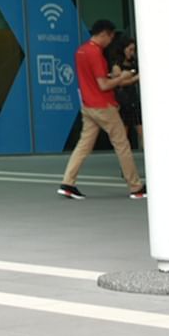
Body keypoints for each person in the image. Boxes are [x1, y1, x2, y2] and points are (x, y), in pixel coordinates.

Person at [58, 19, 145, 200]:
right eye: (111, 36)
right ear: (104, 34)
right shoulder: (95, 53)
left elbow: (93, 78)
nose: (111, 41)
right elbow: (104, 85)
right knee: (122, 144)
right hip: (103, 105)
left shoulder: (80, 51)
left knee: (83, 145)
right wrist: (122, 77)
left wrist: (112, 76)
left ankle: (68, 183)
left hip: (88, 105)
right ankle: (136, 187)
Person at [108, 34, 141, 148]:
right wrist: (134, 78)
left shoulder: (134, 63)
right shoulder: (117, 65)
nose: (132, 52)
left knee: (140, 126)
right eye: (130, 49)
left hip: (133, 97)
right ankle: (124, 156)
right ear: (123, 49)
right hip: (123, 99)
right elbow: (119, 82)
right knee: (124, 129)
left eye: (134, 49)